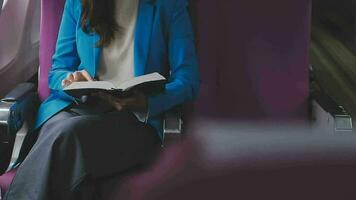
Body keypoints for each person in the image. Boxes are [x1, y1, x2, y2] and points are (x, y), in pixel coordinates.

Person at [4, 0, 199, 199]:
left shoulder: (169, 5)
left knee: (66, 134)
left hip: (135, 118)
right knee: (59, 129)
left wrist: (146, 102)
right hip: (82, 106)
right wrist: (70, 80)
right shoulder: (78, 4)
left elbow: (188, 80)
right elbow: (57, 72)